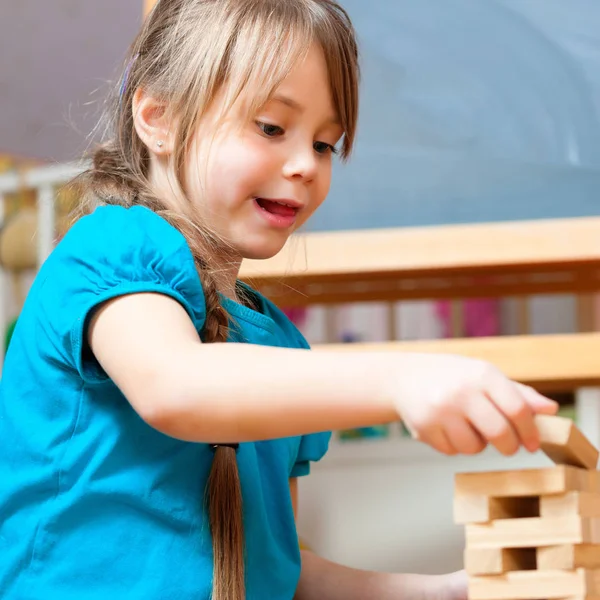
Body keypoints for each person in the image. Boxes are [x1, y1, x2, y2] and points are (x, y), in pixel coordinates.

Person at [0, 0, 559, 598]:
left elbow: (279, 571)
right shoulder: (114, 245)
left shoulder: (276, 347)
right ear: (157, 118)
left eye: (325, 144)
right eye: (271, 127)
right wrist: (402, 378)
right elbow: (175, 386)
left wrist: (447, 591)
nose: (304, 166)